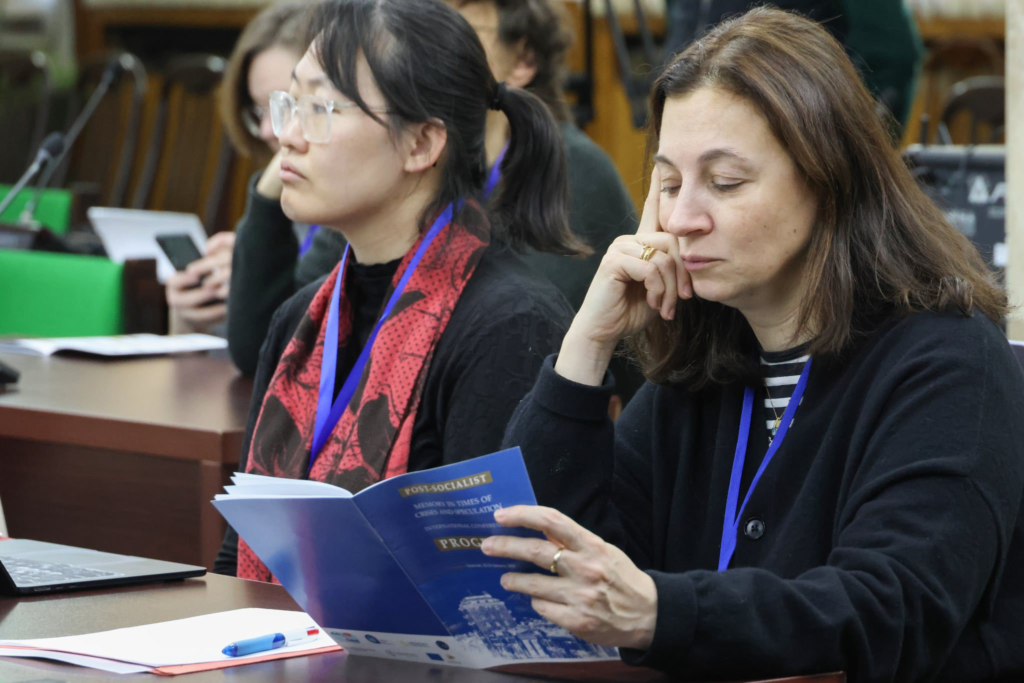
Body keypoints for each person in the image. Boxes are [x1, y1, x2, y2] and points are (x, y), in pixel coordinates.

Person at [486, 8, 1024, 682]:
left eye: (725, 183)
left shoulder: (949, 363)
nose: (682, 218)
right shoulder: (705, 368)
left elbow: (891, 608)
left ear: (829, 181)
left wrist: (659, 612)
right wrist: (585, 348)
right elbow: (538, 564)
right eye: (669, 184)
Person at [213, 0, 581, 580]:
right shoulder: (300, 319)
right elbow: (239, 554)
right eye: (290, 104)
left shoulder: (510, 325)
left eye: (321, 108)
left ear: (421, 144)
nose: (287, 136)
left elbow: (486, 585)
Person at [227, 0, 642, 409]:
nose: (421, 32)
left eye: (454, 18)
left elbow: (520, 363)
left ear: (522, 58)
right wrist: (285, 163)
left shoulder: (511, 312)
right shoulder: (376, 207)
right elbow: (271, 347)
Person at [164, 1, 346, 335]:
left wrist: (256, 277)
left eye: (289, 104)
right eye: (261, 110)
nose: (266, 131)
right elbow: (221, 353)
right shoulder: (282, 202)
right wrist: (190, 313)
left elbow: (289, 344)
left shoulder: (353, 218)